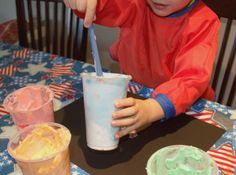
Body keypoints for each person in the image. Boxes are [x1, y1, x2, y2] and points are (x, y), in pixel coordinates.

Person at [64, 0, 220, 139]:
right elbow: (102, 6)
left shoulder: (204, 21)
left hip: (184, 106)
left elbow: (191, 78)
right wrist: (85, 3)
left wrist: (151, 108)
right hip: (136, 95)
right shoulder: (136, 3)